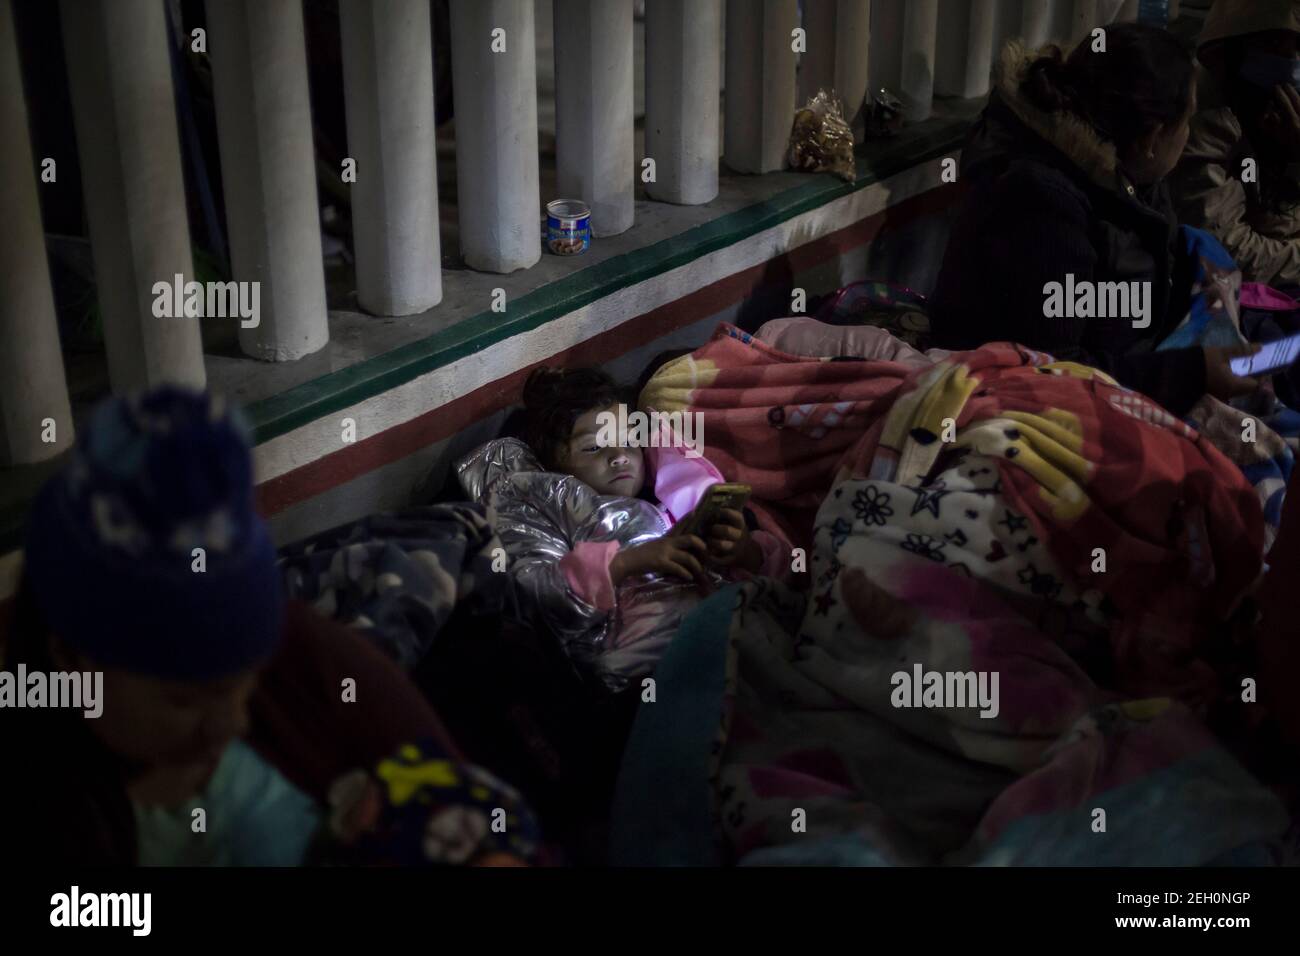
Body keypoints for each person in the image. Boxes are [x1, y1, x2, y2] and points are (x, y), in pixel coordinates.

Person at [0, 387, 537, 866]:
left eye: (242, 683)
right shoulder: (44, 803)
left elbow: (469, 808)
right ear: (72, 661)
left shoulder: (301, 658)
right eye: (186, 700)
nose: (232, 723)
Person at [928, 24, 1259, 417]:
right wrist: (1189, 372)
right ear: (1152, 139)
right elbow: (1052, 371)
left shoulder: (1131, 171)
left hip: (1123, 369)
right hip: (1016, 402)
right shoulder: (1042, 206)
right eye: (1186, 122)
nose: (1188, 135)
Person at [457, 367, 789, 690]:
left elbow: (784, 573)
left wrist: (745, 551)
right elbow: (534, 595)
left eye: (628, 440)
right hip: (655, 673)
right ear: (554, 463)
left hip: (743, 634)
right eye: (594, 447)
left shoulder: (672, 503)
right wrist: (626, 563)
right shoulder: (542, 503)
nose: (619, 456)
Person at [1168, 0, 1300, 289]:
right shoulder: (1200, 118)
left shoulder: (1267, 111)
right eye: (1275, 42)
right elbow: (1230, 257)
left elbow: (1276, 229)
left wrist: (1292, 162)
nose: (1293, 58)